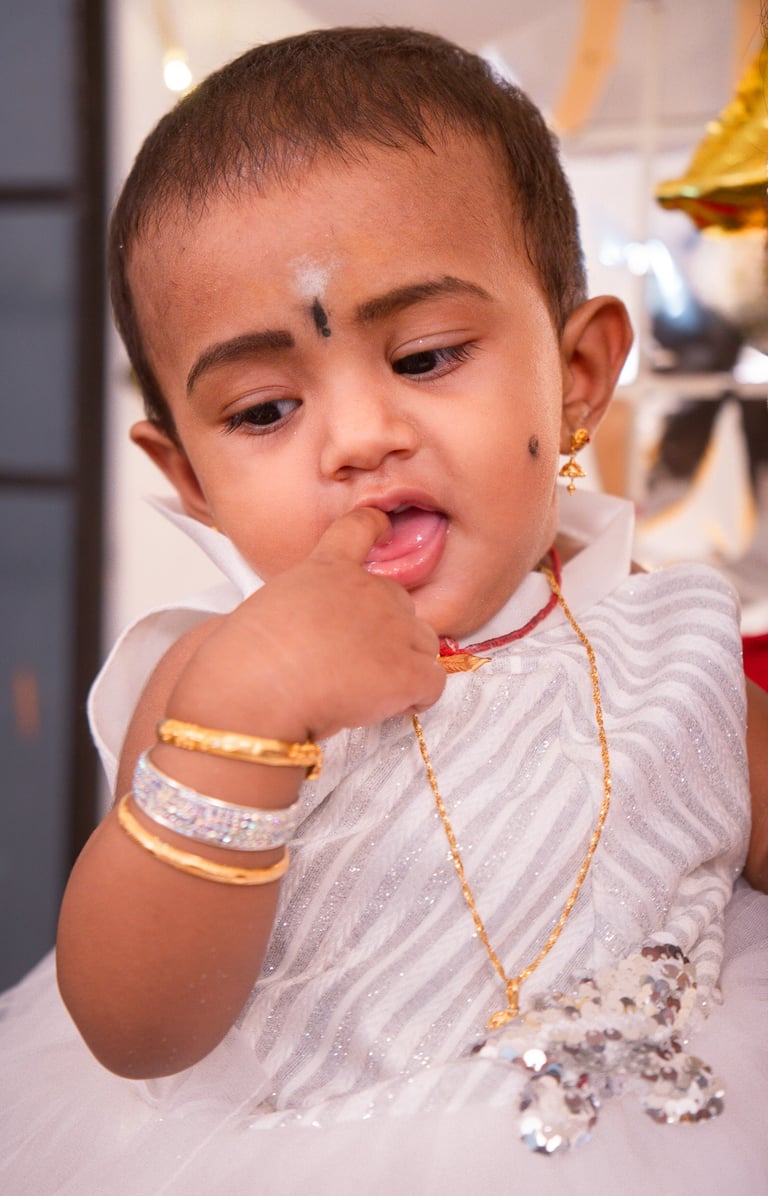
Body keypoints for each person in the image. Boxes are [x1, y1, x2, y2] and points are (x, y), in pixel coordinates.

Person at [2, 27, 767, 1194]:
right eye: (263, 410)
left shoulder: (675, 638)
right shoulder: (210, 677)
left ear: (574, 375)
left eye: (425, 355)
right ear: (191, 478)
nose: (360, 438)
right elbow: (137, 1026)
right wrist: (249, 710)